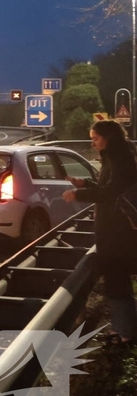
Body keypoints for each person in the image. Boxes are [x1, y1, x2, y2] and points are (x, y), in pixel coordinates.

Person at [64, 119, 137, 345]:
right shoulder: (118, 158)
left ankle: (125, 333)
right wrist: (84, 184)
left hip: (118, 233)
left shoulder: (120, 161)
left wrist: (79, 195)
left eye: (95, 139)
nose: (93, 144)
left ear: (108, 138)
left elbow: (110, 193)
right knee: (117, 280)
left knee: (116, 279)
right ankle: (125, 330)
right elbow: (108, 190)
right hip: (116, 230)